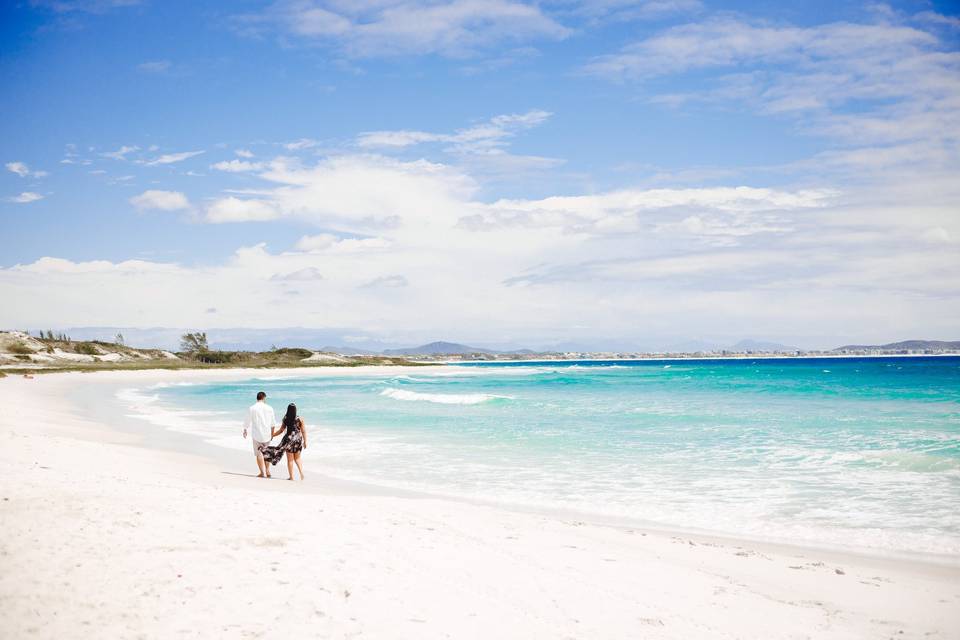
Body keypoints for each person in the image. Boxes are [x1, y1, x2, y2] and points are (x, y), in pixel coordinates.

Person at [259, 403, 307, 481]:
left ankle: (291, 477)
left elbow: (281, 430)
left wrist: (272, 435)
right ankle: (301, 473)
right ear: (295, 410)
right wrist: (305, 441)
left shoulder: (285, 418)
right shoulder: (300, 419)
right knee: (298, 458)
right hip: (298, 440)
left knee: (290, 460)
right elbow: (304, 431)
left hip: (289, 440)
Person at [242, 391, 278, 478]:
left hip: (256, 434)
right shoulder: (270, 408)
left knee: (259, 453)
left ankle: (262, 472)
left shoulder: (252, 408)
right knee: (266, 453)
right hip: (267, 434)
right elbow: (273, 423)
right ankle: (268, 471)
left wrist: (245, 429)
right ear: (264, 398)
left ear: (257, 398)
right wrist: (272, 434)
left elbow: (247, 420)